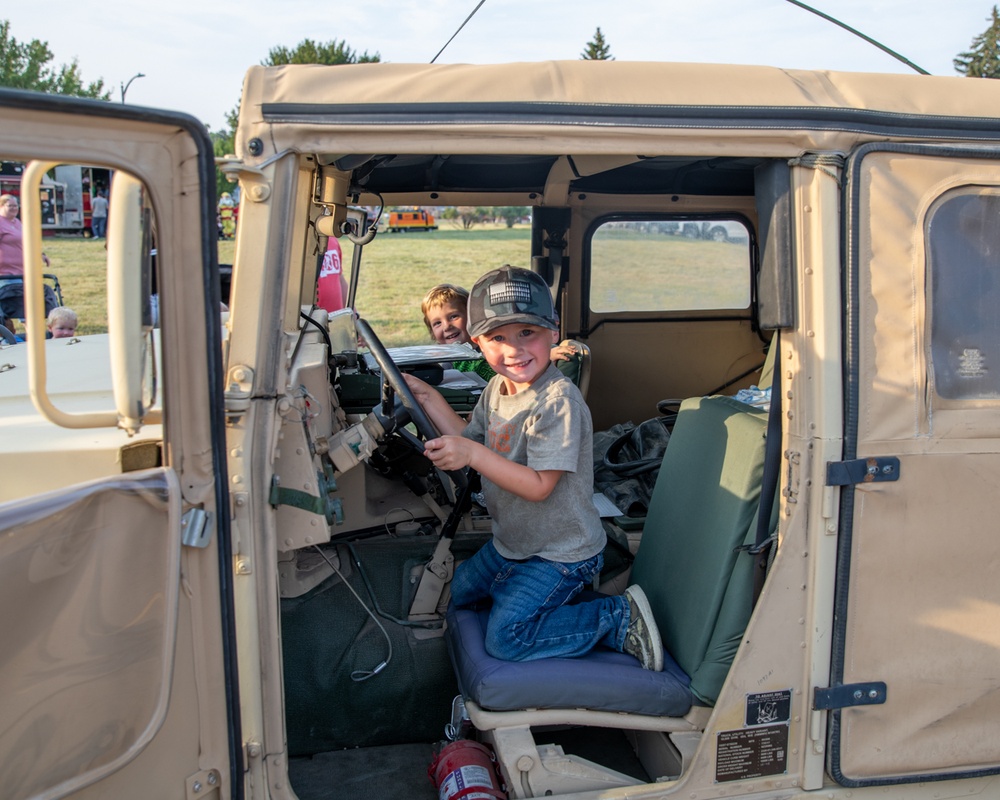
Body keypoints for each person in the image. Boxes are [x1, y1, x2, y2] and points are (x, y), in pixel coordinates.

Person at [404, 265, 663, 670]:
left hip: (561, 552)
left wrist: (472, 457)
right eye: (497, 337)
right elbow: (472, 439)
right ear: (478, 343)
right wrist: (427, 398)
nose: (513, 350)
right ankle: (524, 593)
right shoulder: (496, 387)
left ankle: (616, 618)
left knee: (507, 639)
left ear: (553, 332)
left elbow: (540, 485)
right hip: (514, 543)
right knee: (460, 589)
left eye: (527, 332)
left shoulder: (557, 401)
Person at [420, 282, 578, 382]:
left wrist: (548, 355)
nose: (447, 326)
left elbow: (524, 354)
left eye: (454, 316)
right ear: (433, 333)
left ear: (473, 319)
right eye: (437, 323)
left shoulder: (492, 348)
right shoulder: (447, 362)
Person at [0, 194, 55, 320]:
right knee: (17, 310)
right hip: (6, 275)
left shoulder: (17, 222)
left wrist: (40, 254)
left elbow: (27, 242)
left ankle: (33, 336)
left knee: (28, 311)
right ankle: (9, 336)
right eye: (10, 206)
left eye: (16, 205)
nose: (14, 208)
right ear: (1, 206)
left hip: (22, 272)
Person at [317, 235, 348, 312]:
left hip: (336, 319)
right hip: (313, 320)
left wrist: (352, 310)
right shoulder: (299, 243)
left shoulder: (332, 239)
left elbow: (339, 277)